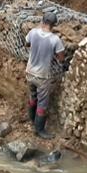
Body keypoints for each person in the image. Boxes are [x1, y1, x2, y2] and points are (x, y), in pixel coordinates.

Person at [25, 11, 66, 140]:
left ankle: (32, 119)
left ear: (42, 21)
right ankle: (39, 129)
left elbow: (27, 44)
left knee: (33, 96)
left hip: (30, 72)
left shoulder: (32, 32)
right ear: (54, 25)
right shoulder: (55, 40)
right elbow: (60, 58)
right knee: (42, 103)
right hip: (42, 76)